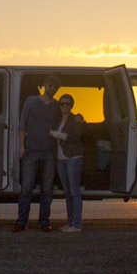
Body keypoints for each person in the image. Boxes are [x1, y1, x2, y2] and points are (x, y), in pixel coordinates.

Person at [14, 75, 61, 232]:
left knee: (47, 190)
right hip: (30, 151)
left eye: (55, 86)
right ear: (44, 85)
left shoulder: (57, 106)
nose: (52, 88)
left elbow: (62, 124)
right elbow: (22, 124)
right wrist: (21, 146)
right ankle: (21, 222)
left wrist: (79, 119)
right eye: (50, 85)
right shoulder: (31, 101)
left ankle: (44, 222)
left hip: (49, 153)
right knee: (26, 188)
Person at [51, 94, 85, 232]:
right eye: (62, 104)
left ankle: (77, 225)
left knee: (74, 191)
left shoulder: (76, 118)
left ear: (72, 105)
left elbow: (75, 136)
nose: (65, 106)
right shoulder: (57, 119)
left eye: (68, 104)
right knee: (67, 192)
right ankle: (70, 222)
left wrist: (55, 134)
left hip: (73, 158)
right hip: (60, 159)